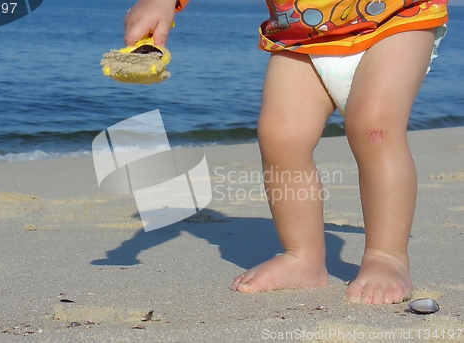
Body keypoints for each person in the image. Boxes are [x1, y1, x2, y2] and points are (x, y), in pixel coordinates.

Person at [123, 0, 448, 305]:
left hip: (392, 22)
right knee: (280, 135)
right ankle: (302, 257)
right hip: (300, 37)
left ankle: (386, 256)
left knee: (373, 127)